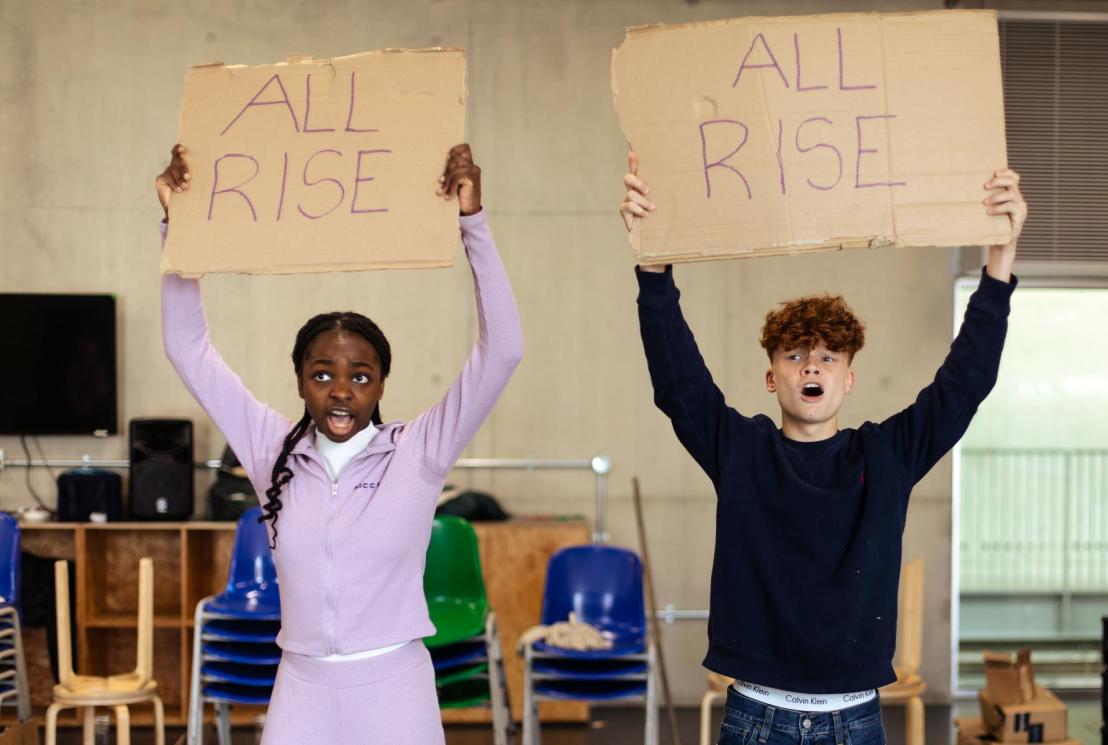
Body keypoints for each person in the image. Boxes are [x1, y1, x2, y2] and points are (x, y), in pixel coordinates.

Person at [620, 152, 1027, 744]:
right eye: (794, 355)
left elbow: (963, 386)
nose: (812, 364)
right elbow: (676, 377)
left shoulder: (886, 457)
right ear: (772, 378)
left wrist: (999, 265)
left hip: (856, 722)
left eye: (828, 356)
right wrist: (653, 269)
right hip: (756, 718)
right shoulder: (741, 451)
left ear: (847, 379)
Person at [156, 143, 522, 744]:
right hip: (301, 690)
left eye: (360, 376)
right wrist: (180, 228)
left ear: (381, 384)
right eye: (322, 374)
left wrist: (472, 225)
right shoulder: (271, 448)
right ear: (301, 380)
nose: (341, 392)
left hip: (395, 689)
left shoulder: (420, 450)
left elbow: (503, 349)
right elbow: (187, 349)